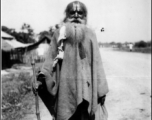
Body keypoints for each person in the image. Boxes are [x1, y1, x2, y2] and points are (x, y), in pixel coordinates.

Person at [33, 1, 109, 120]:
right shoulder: (59, 34)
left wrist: (101, 90)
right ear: (66, 15)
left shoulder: (91, 34)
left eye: (80, 12)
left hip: (87, 89)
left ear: (85, 16)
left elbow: (97, 63)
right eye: (72, 12)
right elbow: (50, 60)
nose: (76, 15)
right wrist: (42, 78)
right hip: (65, 90)